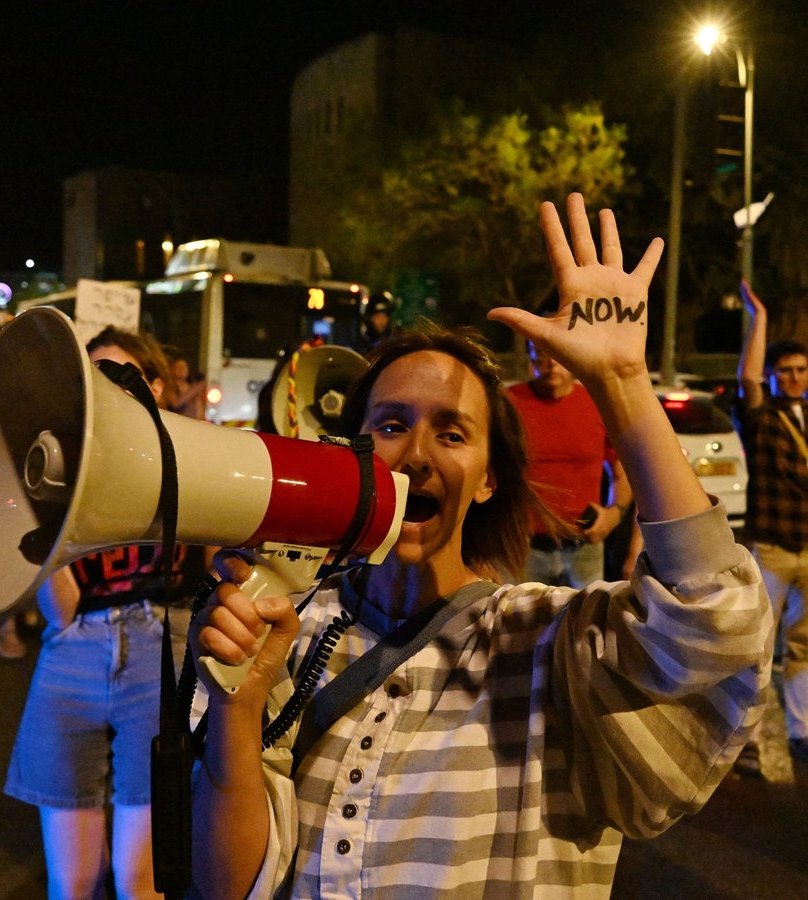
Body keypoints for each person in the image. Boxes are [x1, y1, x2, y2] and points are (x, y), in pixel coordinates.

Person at [187, 194, 773, 898]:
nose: (418, 455)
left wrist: (621, 385)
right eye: (392, 424)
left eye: (453, 432)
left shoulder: (548, 644)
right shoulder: (289, 635)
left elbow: (719, 622)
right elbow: (229, 885)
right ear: (353, 448)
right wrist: (238, 708)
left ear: (490, 478)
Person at [4, 325, 204, 899]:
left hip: (157, 647)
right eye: (93, 378)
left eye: (121, 375)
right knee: (71, 881)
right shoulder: (66, 473)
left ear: (159, 387)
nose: (105, 390)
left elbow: (214, 568)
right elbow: (61, 613)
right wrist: (39, 520)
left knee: (137, 880)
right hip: (74, 649)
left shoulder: (192, 456)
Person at [732, 279, 808, 774]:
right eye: (786, 371)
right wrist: (759, 321)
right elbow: (748, 383)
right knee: (758, 646)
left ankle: (802, 731)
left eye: (801, 369)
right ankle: (748, 741)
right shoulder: (763, 419)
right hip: (774, 546)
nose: (795, 377)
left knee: (803, 645)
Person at [505, 335, 633, 587]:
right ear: (530, 355)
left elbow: (622, 469)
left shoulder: (597, 402)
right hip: (525, 548)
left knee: (585, 622)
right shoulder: (508, 403)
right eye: (541, 353)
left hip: (584, 545)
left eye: (559, 353)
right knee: (522, 623)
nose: (551, 363)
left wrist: (613, 514)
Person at [166, 348, 207, 420]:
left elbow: (201, 405)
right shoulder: (170, 386)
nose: (182, 370)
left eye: (184, 367)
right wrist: (195, 389)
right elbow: (175, 404)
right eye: (178, 367)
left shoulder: (191, 385)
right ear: (172, 370)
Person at [355, 291, 395, 355]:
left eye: (384, 316)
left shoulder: (394, 343)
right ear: (369, 319)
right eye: (377, 317)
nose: (381, 321)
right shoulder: (361, 345)